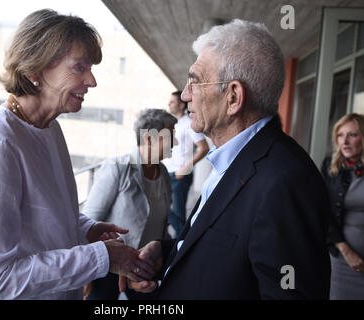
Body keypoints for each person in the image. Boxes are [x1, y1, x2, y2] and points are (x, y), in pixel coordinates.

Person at [121, 19, 331, 299]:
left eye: (194, 81)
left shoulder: (286, 182)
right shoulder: (235, 157)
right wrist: (169, 251)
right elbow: (230, 252)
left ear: (233, 97)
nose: (185, 95)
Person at [0, 9, 154, 300]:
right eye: (79, 67)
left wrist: (86, 230)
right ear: (35, 70)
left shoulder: (49, 128)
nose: (92, 81)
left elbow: (43, 219)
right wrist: (101, 258)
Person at [82, 108, 176, 300]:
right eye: (170, 137)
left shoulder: (164, 173)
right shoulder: (118, 167)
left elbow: (161, 223)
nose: (176, 142)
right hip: (110, 267)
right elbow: (89, 222)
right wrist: (86, 276)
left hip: (145, 267)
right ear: (150, 139)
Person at [321, 113, 364, 300]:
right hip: (343, 259)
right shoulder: (331, 167)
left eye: (352, 135)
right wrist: (347, 252)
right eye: (340, 135)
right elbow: (323, 212)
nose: (345, 141)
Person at [163, 91, 209, 238]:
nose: (169, 104)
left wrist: (186, 167)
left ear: (182, 105)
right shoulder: (170, 124)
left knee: (178, 213)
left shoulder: (189, 123)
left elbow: (204, 148)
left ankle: (181, 244)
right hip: (166, 172)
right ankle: (182, 238)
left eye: (172, 101)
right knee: (161, 208)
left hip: (180, 175)